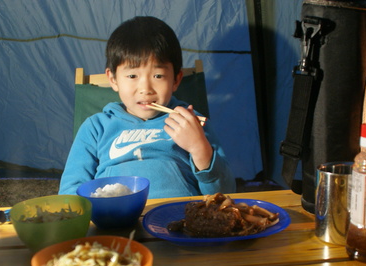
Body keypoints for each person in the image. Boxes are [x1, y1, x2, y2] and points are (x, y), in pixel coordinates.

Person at [59, 16, 236, 199]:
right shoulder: (96, 127)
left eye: (158, 76)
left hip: (178, 215)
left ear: (176, 79)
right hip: (113, 219)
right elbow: (71, 189)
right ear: (113, 79)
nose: (145, 89)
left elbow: (226, 193)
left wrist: (199, 148)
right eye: (132, 76)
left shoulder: (190, 123)